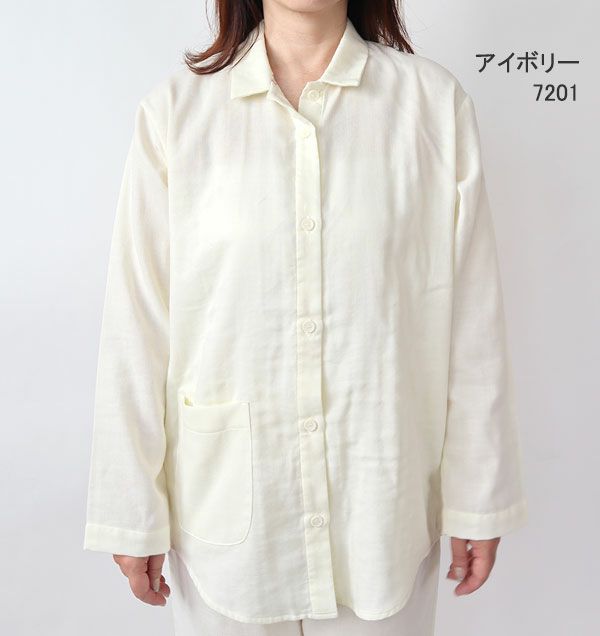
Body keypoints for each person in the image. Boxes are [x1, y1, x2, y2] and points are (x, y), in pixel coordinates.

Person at [83, 1, 528, 634]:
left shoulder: (432, 107)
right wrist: (131, 509)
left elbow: (473, 320)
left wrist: (478, 495)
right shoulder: (176, 115)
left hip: (383, 511)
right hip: (228, 517)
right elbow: (137, 325)